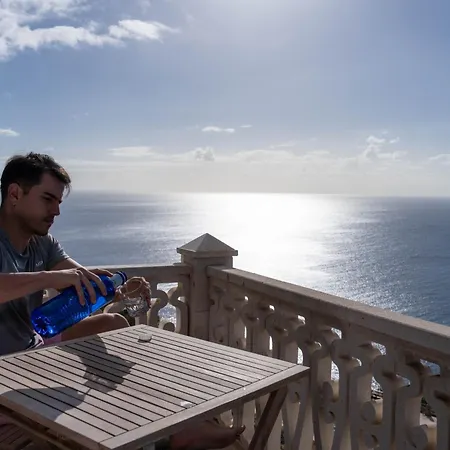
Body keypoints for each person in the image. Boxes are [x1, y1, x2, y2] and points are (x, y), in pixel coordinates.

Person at [0, 152, 244, 450]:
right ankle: (162, 437)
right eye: (48, 199)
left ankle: (155, 415)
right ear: (15, 194)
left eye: (59, 202)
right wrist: (48, 278)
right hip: (6, 370)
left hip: (32, 348)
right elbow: (51, 279)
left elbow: (82, 280)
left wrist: (119, 288)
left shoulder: (43, 243)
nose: (56, 211)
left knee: (113, 323)